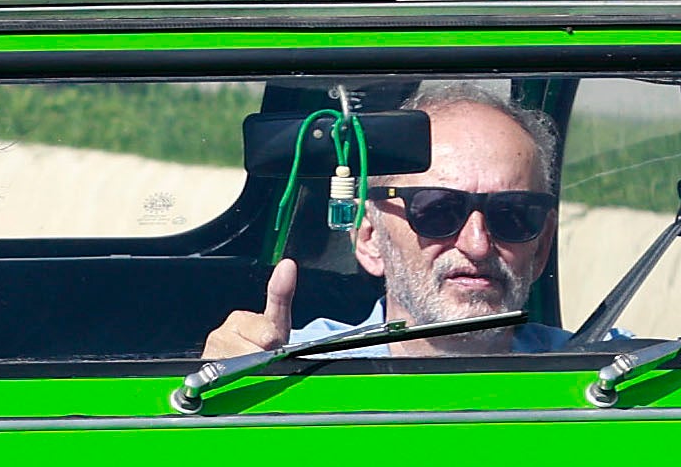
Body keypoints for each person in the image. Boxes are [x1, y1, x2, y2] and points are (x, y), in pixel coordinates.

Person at [195, 84, 558, 368]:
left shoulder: (601, 372)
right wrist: (225, 384)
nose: (477, 244)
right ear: (370, 237)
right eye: (437, 211)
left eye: (513, 214)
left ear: (541, 247)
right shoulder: (298, 370)